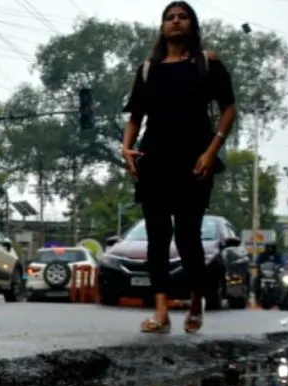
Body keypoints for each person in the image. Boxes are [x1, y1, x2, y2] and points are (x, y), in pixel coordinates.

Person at [122, 2, 237, 335]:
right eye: (169, 17)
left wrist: (211, 150)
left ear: (192, 24)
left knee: (188, 236)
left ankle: (196, 301)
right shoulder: (148, 69)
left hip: (195, 158)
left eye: (182, 16)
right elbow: (134, 118)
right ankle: (161, 312)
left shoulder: (207, 63)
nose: (175, 22)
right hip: (155, 158)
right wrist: (127, 149)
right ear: (162, 27)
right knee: (157, 236)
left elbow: (228, 109)